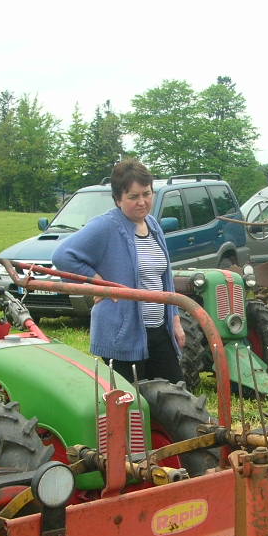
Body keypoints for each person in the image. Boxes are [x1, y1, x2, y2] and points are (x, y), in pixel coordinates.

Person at [52, 158, 185, 384]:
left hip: (158, 331)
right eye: (133, 196)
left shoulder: (153, 225)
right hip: (124, 334)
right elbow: (63, 255)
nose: (142, 201)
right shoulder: (106, 226)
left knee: (174, 391)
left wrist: (174, 320)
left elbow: (165, 278)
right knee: (131, 404)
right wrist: (99, 283)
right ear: (117, 199)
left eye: (146, 193)